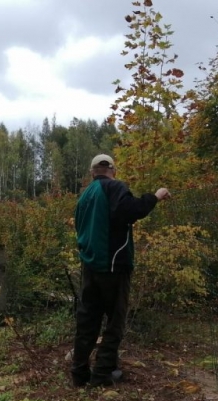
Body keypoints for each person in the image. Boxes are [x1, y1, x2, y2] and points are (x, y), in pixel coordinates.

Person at [71, 154, 170, 387]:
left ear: (91, 172)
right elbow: (132, 210)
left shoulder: (84, 196)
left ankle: (79, 372)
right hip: (114, 267)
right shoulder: (114, 187)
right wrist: (155, 196)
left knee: (88, 320)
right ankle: (103, 374)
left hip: (90, 266)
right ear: (112, 170)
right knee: (115, 321)